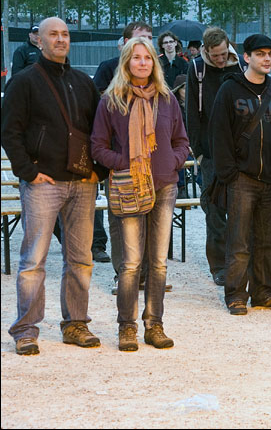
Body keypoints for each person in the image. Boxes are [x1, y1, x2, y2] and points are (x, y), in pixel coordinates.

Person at [2, 17, 105, 356]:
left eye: (65, 35)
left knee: (81, 259)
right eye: (53, 35)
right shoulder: (24, 81)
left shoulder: (82, 82)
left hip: (82, 183)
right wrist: (27, 171)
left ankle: (76, 323)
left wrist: (98, 171)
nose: (60, 40)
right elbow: (9, 130)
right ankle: (26, 329)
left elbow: (99, 131)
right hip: (43, 182)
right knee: (34, 259)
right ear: (39, 41)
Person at [90, 37, 189, 351]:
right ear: (126, 63)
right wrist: (123, 163)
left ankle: (154, 324)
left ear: (155, 63)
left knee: (158, 263)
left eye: (148, 58)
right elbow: (97, 147)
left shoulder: (167, 99)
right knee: (131, 263)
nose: (143, 63)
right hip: (129, 186)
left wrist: (171, 162)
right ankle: (127, 327)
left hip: (163, 186)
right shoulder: (112, 100)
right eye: (136, 58)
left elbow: (182, 141)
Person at [211, 34, 271, 315]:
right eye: (260, 54)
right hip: (242, 179)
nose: (268, 59)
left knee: (269, 242)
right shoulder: (230, 90)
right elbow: (218, 134)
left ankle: (263, 292)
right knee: (239, 241)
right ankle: (236, 294)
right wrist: (230, 174)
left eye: (270, 54)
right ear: (246, 57)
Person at [185, 27, 247, 286]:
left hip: (238, 148)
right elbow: (191, 111)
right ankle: (219, 265)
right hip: (210, 151)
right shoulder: (198, 69)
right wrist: (197, 152)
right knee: (215, 209)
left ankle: (242, 262)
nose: (220, 60)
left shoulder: (240, 65)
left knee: (243, 210)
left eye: (223, 54)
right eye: (215, 56)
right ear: (205, 52)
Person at [93, 21, 154, 265]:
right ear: (126, 42)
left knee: (152, 221)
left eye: (150, 37)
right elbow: (99, 106)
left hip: (151, 163)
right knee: (120, 221)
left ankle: (148, 271)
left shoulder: (155, 74)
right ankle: (124, 272)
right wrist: (118, 160)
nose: (146, 41)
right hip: (119, 161)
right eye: (141, 37)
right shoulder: (108, 68)